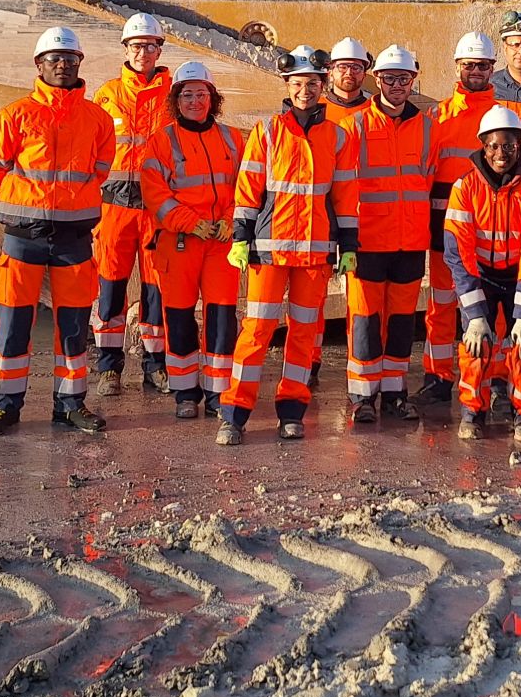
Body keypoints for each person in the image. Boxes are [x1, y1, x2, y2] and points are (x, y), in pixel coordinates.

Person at [218, 48, 360, 445]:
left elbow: (345, 195)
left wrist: (348, 244)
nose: (305, 91)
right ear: (287, 86)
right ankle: (234, 413)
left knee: (303, 333)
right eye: (298, 84)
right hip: (268, 249)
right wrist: (240, 238)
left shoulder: (337, 136)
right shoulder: (267, 132)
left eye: (312, 84)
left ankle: (292, 410)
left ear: (323, 85)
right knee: (257, 330)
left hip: (315, 253)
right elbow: (248, 189)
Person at [0, 26, 113, 437]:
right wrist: (26, 200)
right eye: (54, 59)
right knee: (14, 321)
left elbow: (102, 168)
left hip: (74, 238)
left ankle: (70, 405)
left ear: (79, 64)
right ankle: (6, 408)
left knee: (73, 326)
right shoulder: (14, 115)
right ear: (39, 64)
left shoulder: (97, 118)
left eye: (70, 59)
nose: (63, 65)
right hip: (24, 236)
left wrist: (74, 198)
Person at [140, 60, 244, 421]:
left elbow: (247, 188)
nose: (195, 101)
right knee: (180, 317)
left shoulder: (233, 139)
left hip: (220, 242)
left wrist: (231, 222)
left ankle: (218, 393)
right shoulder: (161, 141)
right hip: (179, 242)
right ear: (176, 99)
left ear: (212, 98)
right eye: (188, 95)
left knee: (221, 317)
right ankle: (185, 391)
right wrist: (190, 222)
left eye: (202, 94)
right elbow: (155, 192)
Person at [446, 106, 521, 442]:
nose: (501, 153)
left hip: (520, 278)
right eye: (493, 146)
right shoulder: (464, 188)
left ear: (520, 145)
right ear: (482, 146)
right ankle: (472, 412)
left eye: (508, 145)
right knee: (475, 346)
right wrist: (475, 316)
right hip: (480, 276)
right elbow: (457, 253)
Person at [344, 44, 436, 424]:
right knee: (364, 319)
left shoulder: (429, 126)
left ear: (413, 81)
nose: (396, 85)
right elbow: (344, 185)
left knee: (401, 321)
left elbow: (427, 178)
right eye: (389, 78)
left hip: (411, 240)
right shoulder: (357, 125)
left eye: (403, 78)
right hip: (369, 239)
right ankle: (363, 397)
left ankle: (396, 392)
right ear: (376, 79)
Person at [417, 31, 499, 403]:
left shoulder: (501, 117)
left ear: (491, 69)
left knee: (481, 307)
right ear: (458, 67)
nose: (475, 72)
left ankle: (482, 376)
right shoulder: (437, 116)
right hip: (442, 229)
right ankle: (437, 376)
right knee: (442, 304)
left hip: (488, 227)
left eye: (482, 66)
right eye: (469, 65)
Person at [92, 12, 172, 395]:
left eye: (150, 46)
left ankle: (156, 367)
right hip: (114, 208)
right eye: (136, 46)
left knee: (157, 291)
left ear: (159, 49)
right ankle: (109, 369)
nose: (143, 52)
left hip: (158, 209)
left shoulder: (175, 94)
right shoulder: (106, 95)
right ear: (126, 49)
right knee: (110, 288)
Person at [324, 38, 373, 126]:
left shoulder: (375, 110)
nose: (349, 73)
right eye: (342, 67)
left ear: (364, 75)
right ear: (330, 73)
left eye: (356, 68)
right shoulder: (315, 110)